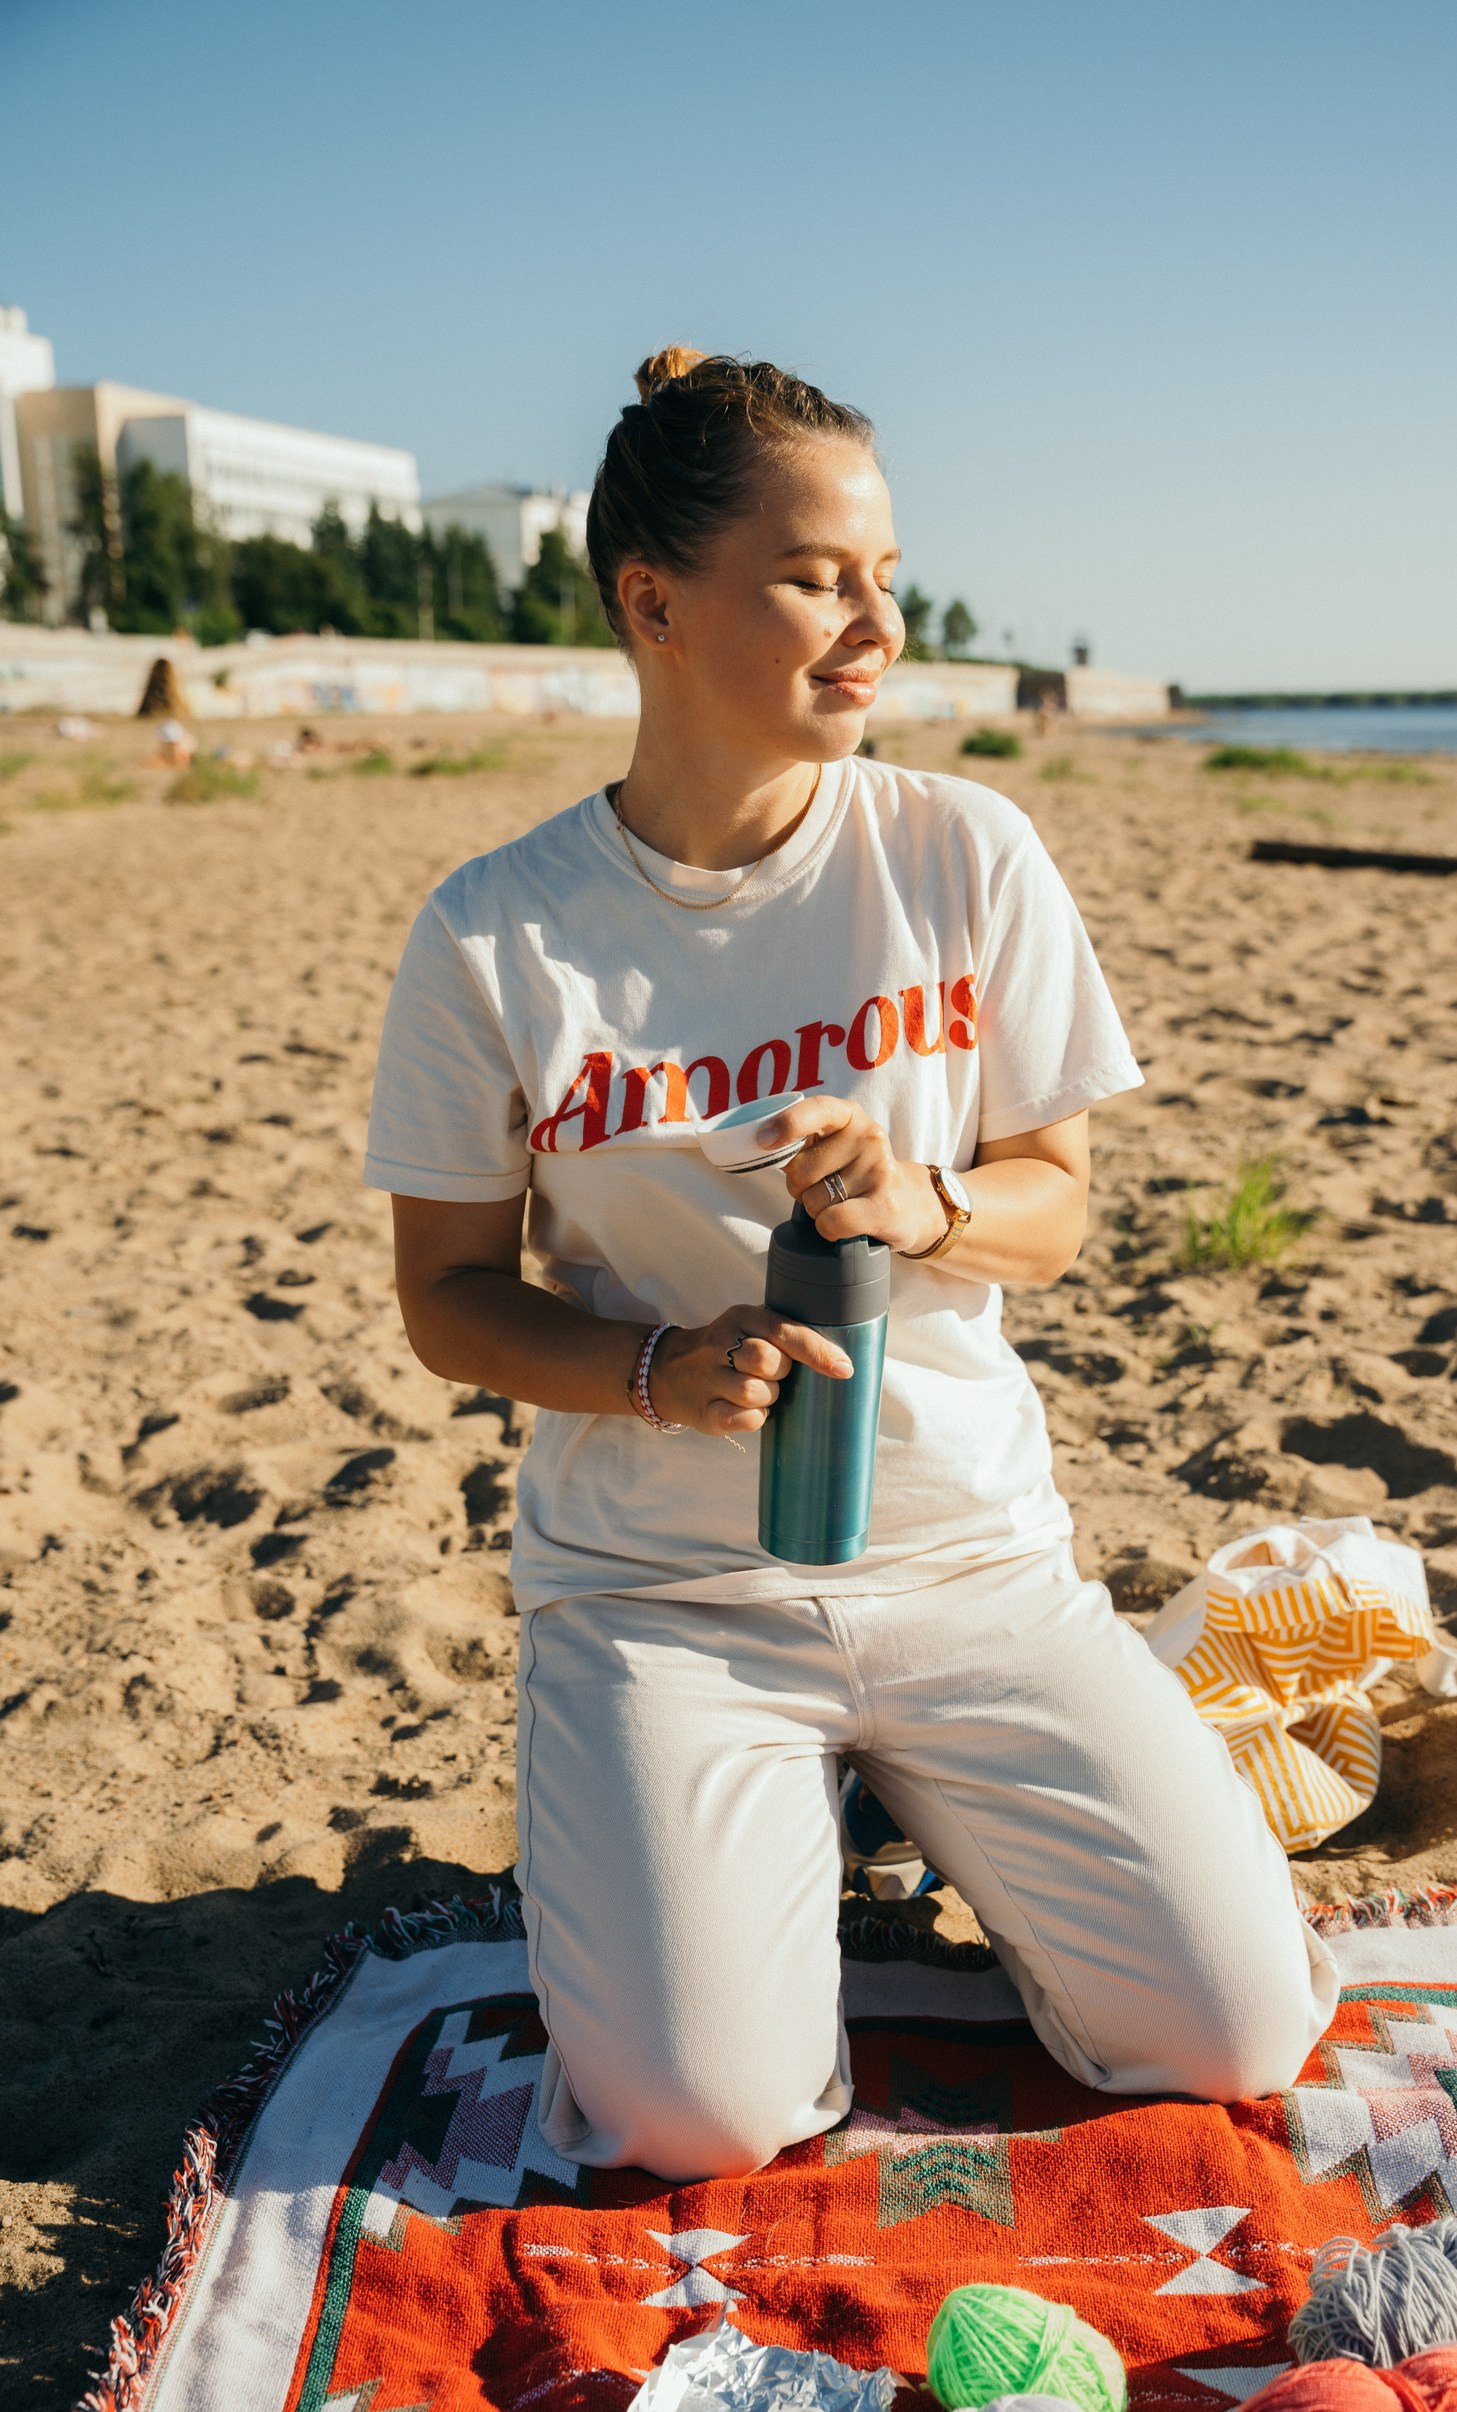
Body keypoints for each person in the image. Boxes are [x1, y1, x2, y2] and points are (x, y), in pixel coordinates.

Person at [364, 347, 1337, 2182]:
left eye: (884, 574)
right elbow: (447, 1303)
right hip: (666, 1598)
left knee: (1238, 2029)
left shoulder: (961, 850)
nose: (875, 622)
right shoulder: (498, 934)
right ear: (653, 602)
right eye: (818, 576)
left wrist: (931, 1206)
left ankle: (907, 1787)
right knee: (695, 2122)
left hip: (972, 1559)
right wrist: (659, 1371)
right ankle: (760, 1807)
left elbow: (1059, 1204)